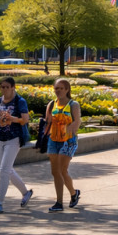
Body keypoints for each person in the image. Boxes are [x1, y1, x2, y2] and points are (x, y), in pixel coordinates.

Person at [0, 76, 32, 213]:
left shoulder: (19, 101)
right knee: (5, 170)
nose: (4, 89)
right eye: (2, 87)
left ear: (13, 87)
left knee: (4, 170)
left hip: (13, 138)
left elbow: (25, 120)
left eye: (7, 87)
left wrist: (12, 119)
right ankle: (26, 193)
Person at [46, 78, 81, 212]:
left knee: (62, 170)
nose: (58, 91)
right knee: (55, 172)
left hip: (68, 141)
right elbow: (48, 122)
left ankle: (72, 193)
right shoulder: (51, 104)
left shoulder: (73, 104)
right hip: (53, 140)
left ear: (67, 90)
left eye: (61, 88)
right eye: (56, 88)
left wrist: (68, 129)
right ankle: (60, 202)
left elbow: (77, 122)